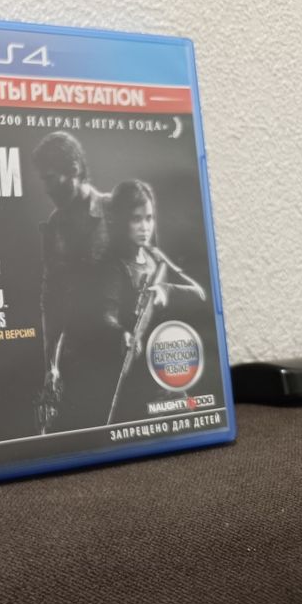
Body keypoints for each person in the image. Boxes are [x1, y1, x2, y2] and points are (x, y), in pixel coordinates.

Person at [96, 180, 206, 424]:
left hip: (164, 370)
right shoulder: (112, 267)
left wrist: (165, 291)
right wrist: (120, 334)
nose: (145, 227)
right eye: (136, 219)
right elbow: (105, 314)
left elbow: (198, 294)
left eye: (149, 218)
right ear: (120, 219)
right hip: (135, 380)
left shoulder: (155, 256)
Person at [31, 131, 110, 432]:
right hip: (78, 355)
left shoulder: (115, 210)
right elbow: (50, 299)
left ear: (74, 169)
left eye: (51, 178)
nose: (46, 188)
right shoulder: (54, 225)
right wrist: (51, 367)